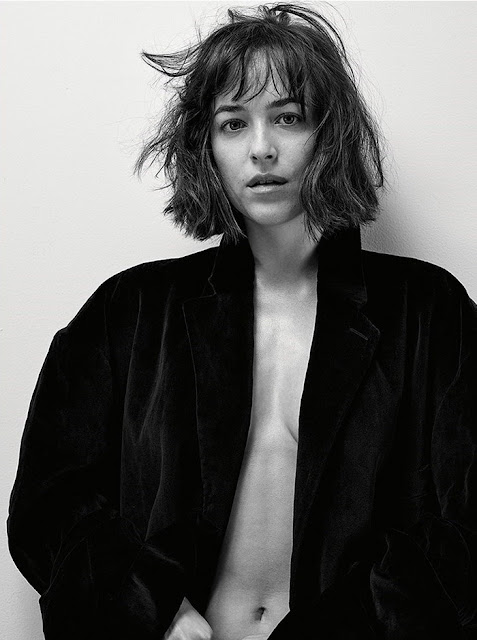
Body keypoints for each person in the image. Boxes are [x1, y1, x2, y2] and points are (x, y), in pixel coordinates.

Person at [7, 3, 477, 639]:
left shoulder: (429, 313)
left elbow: (469, 528)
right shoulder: (129, 311)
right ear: (206, 146)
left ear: (330, 133)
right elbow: (47, 502)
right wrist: (153, 611)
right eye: (233, 124)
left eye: (288, 117)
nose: (261, 149)